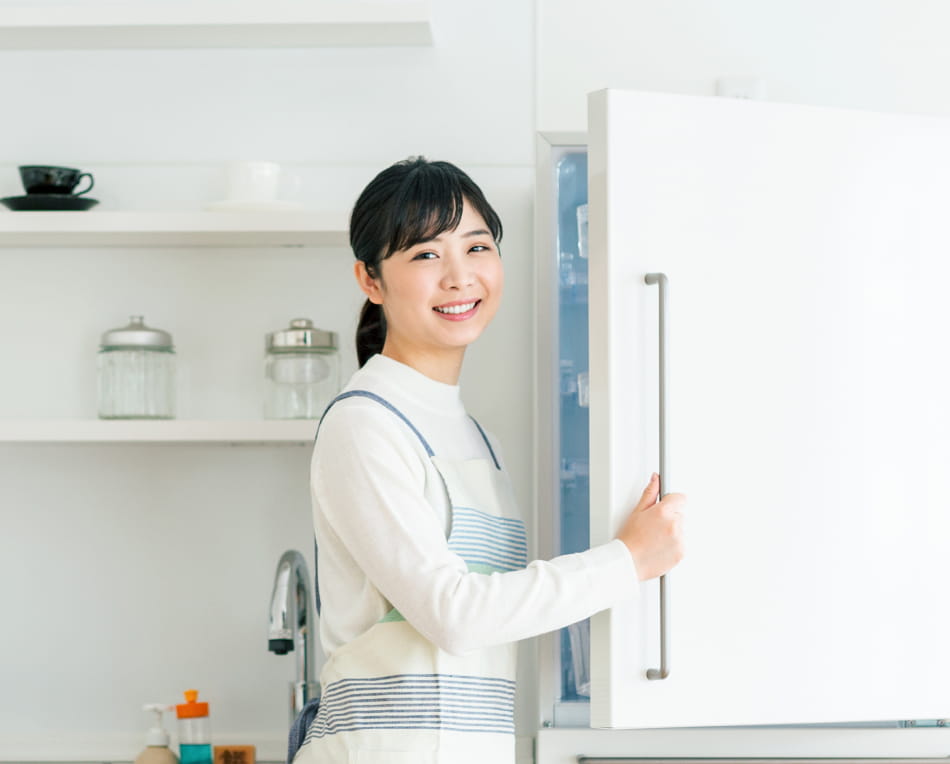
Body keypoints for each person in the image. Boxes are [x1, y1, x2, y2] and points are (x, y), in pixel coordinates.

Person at [292, 157, 685, 764]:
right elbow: (455, 617)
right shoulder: (364, 424)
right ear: (371, 280)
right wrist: (626, 561)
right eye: (426, 254)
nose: (459, 277)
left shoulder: (477, 437)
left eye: (477, 247)